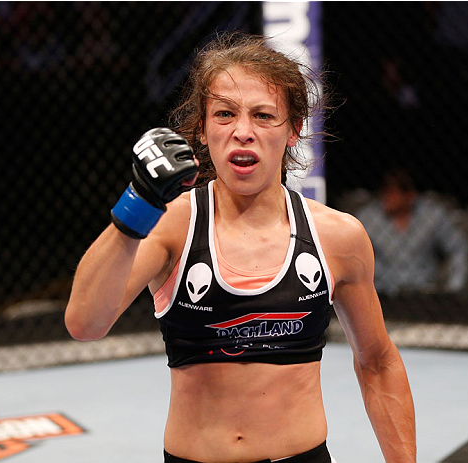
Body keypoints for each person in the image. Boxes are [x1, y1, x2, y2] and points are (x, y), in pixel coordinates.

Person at [65, 33, 416, 463]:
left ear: (294, 130)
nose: (243, 132)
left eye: (264, 116)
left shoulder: (337, 236)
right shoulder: (172, 224)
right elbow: (84, 322)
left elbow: (378, 362)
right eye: (225, 114)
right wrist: (137, 204)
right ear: (202, 128)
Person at [355, 169, 468, 296]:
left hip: (424, 291)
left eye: (392, 193)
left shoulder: (432, 216)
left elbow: (458, 248)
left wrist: (453, 287)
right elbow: (353, 255)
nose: (386, 198)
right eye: (384, 192)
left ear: (410, 195)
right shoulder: (368, 218)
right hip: (382, 291)